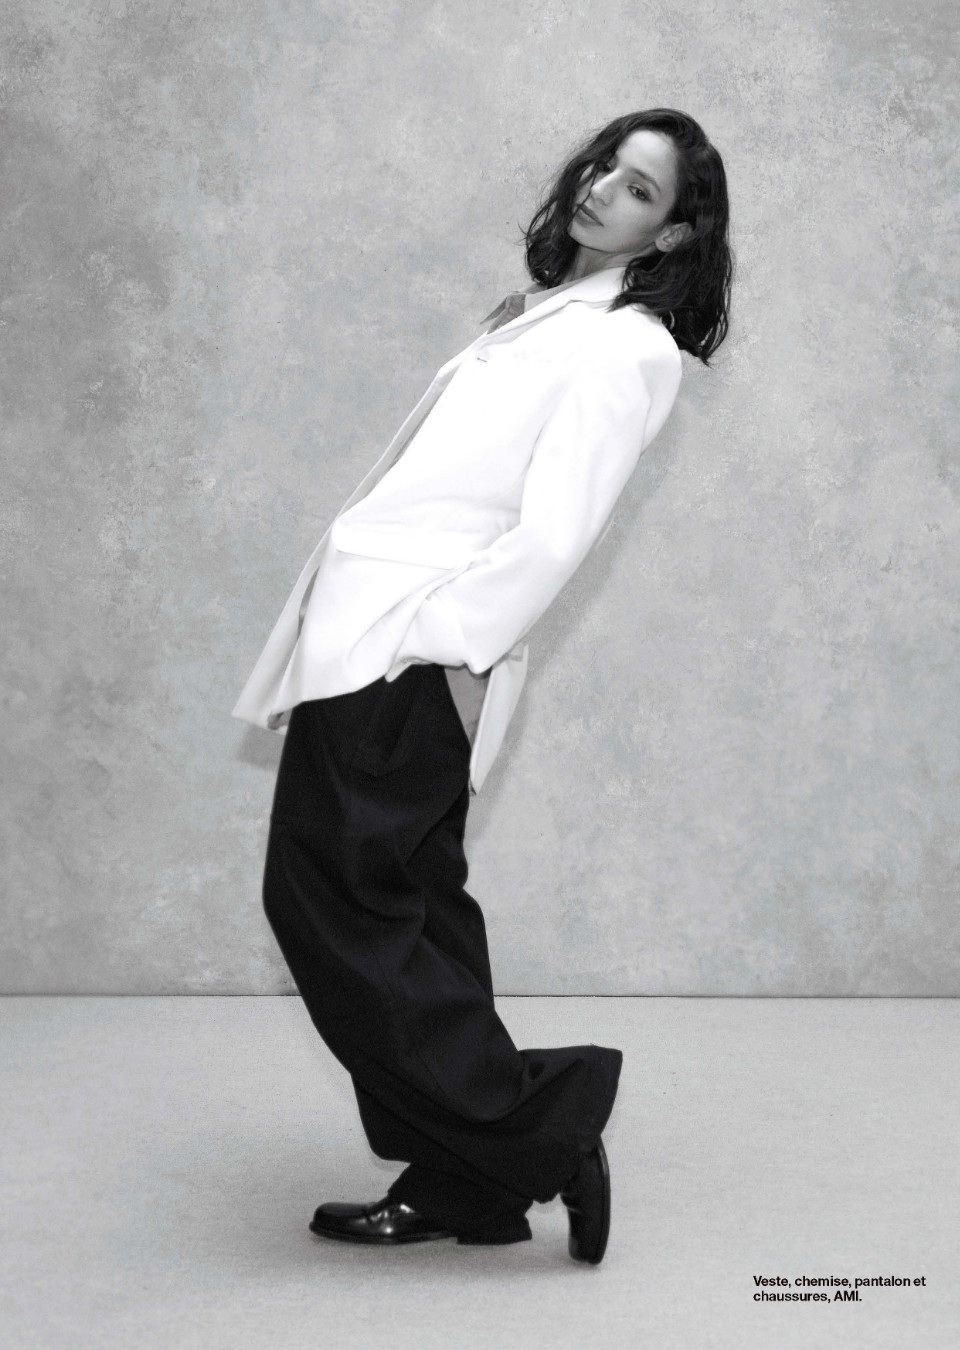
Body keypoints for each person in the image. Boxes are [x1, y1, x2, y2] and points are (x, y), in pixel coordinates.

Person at [232, 108, 733, 1263]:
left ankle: (538, 1127)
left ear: (673, 234)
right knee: (414, 902)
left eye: (641, 189)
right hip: (380, 636)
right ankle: (469, 1185)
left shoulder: (628, 347)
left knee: (330, 899)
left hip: (407, 649)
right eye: (605, 165)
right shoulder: (550, 314)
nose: (603, 187)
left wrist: (439, 639)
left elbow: (554, 535)